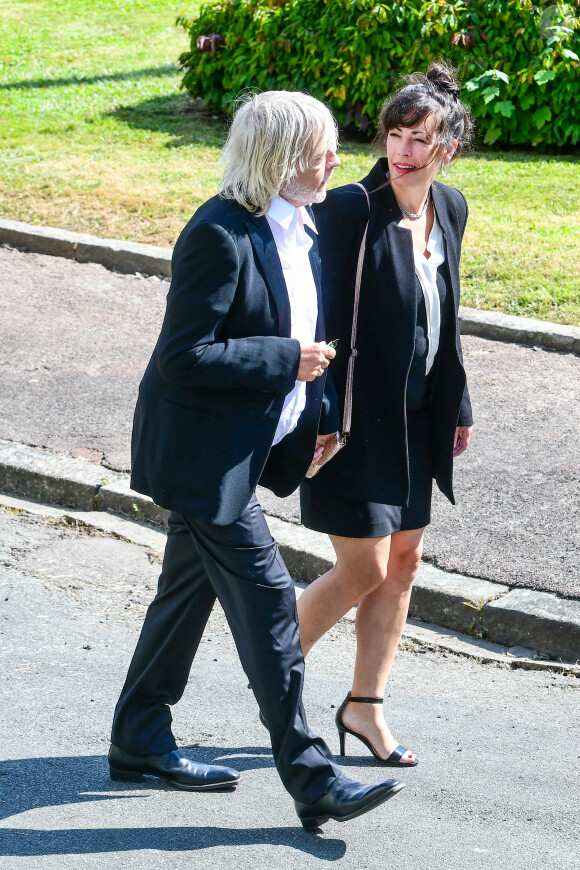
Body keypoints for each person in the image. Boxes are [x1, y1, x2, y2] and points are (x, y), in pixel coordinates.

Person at [108, 90, 404, 830]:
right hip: (201, 462)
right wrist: (284, 360)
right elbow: (185, 356)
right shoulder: (218, 232)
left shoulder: (304, 226)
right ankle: (311, 776)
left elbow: (316, 333)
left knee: (182, 597)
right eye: (321, 149)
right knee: (273, 604)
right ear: (278, 159)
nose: (337, 159)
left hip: (239, 452)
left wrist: (322, 414)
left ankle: (139, 737)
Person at [299, 64, 474, 767]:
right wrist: (313, 406)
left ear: (448, 148)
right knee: (364, 565)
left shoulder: (450, 208)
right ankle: (274, 663)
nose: (402, 150)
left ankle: (364, 706)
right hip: (353, 416)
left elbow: (447, 314)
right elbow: (318, 309)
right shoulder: (351, 209)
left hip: (419, 414)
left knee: (404, 560)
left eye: (419, 139)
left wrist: (457, 400)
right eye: (395, 135)